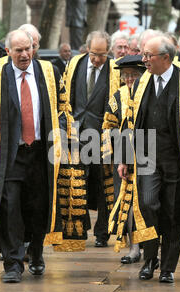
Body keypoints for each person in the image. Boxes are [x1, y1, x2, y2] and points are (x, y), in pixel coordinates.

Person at [115, 36, 180, 283]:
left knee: (172, 212)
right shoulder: (140, 83)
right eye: (144, 55)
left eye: (149, 56)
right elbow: (130, 123)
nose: (144, 60)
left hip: (177, 160)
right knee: (147, 204)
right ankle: (150, 258)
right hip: (147, 157)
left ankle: (168, 267)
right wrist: (124, 157)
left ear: (166, 58)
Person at [0, 29, 71, 283]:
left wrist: (61, 135)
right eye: (18, 50)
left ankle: (36, 253)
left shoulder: (49, 72)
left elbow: (62, 108)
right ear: (8, 52)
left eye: (28, 48)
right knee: (10, 207)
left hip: (41, 153)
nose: (25, 54)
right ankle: (13, 264)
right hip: (9, 154)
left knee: (39, 207)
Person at [62, 30, 121, 248]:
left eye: (102, 54)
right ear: (87, 49)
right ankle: (78, 229)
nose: (97, 59)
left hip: (103, 136)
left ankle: (102, 232)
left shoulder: (115, 70)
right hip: (76, 134)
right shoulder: (74, 64)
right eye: (94, 54)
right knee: (76, 183)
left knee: (103, 184)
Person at [101, 55, 146, 264]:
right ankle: (134, 248)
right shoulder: (117, 97)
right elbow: (108, 126)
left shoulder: (148, 93)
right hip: (124, 158)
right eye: (126, 75)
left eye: (134, 75)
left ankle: (149, 245)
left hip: (149, 153)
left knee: (147, 202)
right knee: (127, 203)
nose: (129, 79)